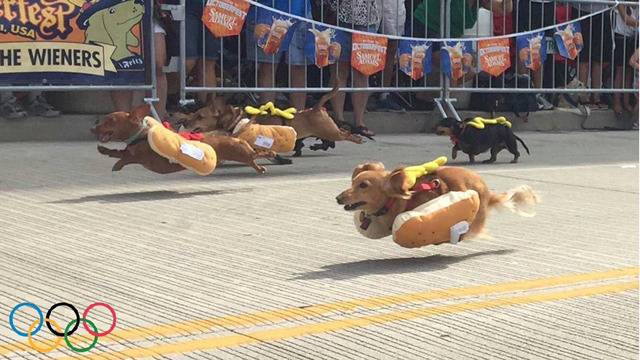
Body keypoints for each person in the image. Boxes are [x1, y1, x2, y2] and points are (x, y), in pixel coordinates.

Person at [326, 0, 382, 138]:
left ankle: (359, 122)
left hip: (367, 20)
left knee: (363, 71)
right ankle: (339, 120)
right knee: (339, 70)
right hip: (337, 18)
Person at [245, 0, 313, 111]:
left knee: (299, 67)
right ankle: (268, 117)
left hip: (299, 11)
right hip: (266, 10)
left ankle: (299, 119)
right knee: (267, 67)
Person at [111, 0, 170, 119]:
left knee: (158, 65)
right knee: (121, 66)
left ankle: (157, 121)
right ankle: (124, 122)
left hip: (149, 12)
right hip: (117, 11)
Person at [573, 1, 614, 110]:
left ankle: (596, 96)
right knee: (583, 58)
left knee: (598, 58)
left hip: (601, 12)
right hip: (581, 11)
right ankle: (583, 97)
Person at [370, 0, 407, 112]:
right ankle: (362, 94)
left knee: (391, 46)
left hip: (394, 4)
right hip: (369, 4)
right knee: (366, 44)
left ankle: (384, 94)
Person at [612, 4, 638, 118]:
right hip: (621, 37)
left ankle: (626, 101)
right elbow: (626, 19)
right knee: (620, 71)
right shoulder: (621, 3)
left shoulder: (637, 4)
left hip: (632, 37)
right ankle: (617, 101)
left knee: (628, 72)